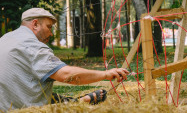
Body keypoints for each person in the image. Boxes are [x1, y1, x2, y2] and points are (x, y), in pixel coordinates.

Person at [0, 8, 129, 112]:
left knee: (50, 95)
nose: (51, 33)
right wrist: (105, 74)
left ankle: (79, 101)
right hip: (22, 108)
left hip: (7, 102)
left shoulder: (6, 38)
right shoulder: (31, 45)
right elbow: (67, 75)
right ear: (35, 24)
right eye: (49, 27)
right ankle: (79, 102)